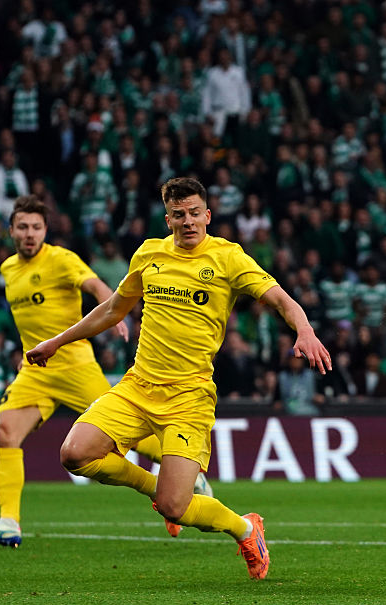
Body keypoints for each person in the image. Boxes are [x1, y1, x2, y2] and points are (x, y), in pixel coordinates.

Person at [26, 177, 331, 579]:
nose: (188, 221)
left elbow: (281, 300)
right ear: (168, 219)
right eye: (178, 215)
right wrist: (57, 341)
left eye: (194, 213)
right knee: (74, 454)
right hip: (138, 386)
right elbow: (113, 309)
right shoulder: (149, 254)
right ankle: (152, 486)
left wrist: (304, 330)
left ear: (208, 215)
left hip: (189, 397)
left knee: (174, 508)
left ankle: (245, 529)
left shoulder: (228, 257)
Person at [0, 195, 181, 549]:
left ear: (45, 230)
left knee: (123, 435)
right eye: (23, 227)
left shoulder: (61, 259)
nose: (30, 234)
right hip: (36, 370)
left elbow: (94, 285)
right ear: (11, 231)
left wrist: (114, 312)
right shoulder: (8, 269)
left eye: (36, 227)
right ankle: (8, 522)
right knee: (6, 433)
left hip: (75, 365)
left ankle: (187, 473)